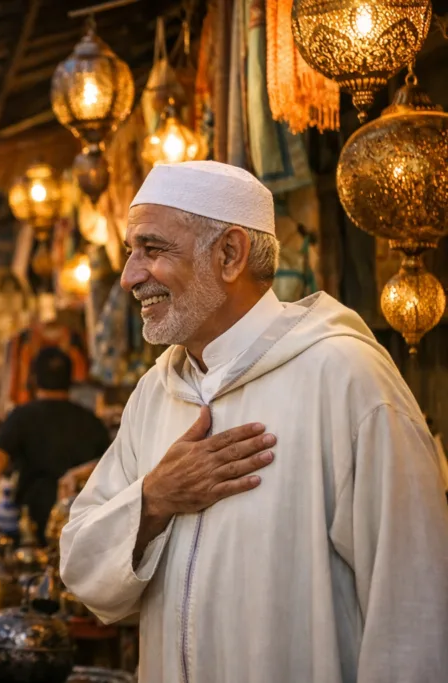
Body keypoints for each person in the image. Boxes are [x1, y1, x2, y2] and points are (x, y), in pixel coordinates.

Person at [59, 161, 448, 682]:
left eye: (152, 250)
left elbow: (412, 609)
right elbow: (82, 568)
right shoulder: (156, 392)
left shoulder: (344, 377)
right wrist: (153, 500)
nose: (130, 275)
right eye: (133, 253)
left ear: (229, 254)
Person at [0, 348, 110, 543]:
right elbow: (108, 466)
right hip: (83, 519)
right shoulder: (92, 421)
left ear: (33, 379)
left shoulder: (21, 417)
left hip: (33, 521)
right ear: (70, 379)